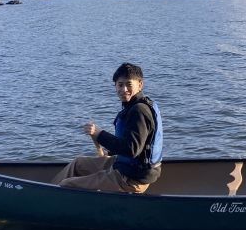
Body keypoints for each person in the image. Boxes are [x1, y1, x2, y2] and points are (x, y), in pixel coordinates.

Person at [52, 62, 163, 193]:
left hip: (131, 178)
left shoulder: (139, 110)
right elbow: (132, 144)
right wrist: (107, 151)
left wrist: (100, 134)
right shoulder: (132, 107)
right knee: (78, 164)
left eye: (129, 84)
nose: (124, 89)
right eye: (120, 85)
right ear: (115, 86)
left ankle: (52, 196)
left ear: (140, 84)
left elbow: (131, 149)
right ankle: (48, 190)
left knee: (67, 185)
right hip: (124, 165)